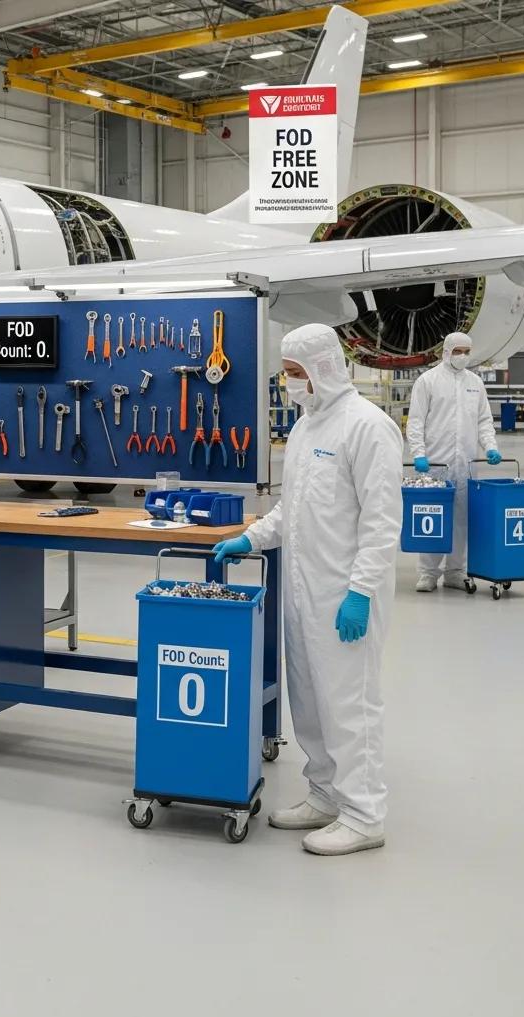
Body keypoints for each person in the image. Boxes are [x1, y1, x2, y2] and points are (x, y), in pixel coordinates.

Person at [214, 324, 403, 856]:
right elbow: (291, 509)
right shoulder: (303, 428)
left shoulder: (368, 427)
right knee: (310, 702)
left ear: (324, 368)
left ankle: (364, 815)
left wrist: (361, 592)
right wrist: (251, 538)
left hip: (344, 594)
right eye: (286, 373)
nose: (289, 383)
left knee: (349, 705)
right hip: (302, 592)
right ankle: (325, 794)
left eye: (296, 373)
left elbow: (382, 523)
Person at [406, 331, 502, 592]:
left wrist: (490, 447)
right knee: (433, 517)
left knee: (461, 518)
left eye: (466, 352)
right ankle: (428, 573)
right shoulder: (428, 381)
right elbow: (416, 421)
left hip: (466, 464)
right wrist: (418, 453)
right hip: (435, 463)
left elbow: (484, 420)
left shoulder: (475, 382)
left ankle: (455, 571)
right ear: (446, 352)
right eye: (457, 351)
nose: (462, 356)